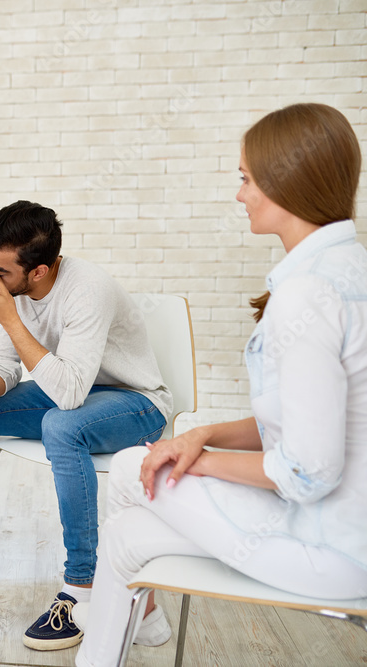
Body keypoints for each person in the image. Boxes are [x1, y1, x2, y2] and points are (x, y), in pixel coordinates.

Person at [74, 103, 367, 666]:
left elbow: (306, 471)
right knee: (125, 536)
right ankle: (145, 626)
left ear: (287, 180)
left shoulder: (307, 295)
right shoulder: (348, 269)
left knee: (137, 469)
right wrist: (203, 433)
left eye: (246, 179)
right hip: (339, 531)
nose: (240, 194)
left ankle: (139, 623)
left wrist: (199, 458)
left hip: (331, 549)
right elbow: (307, 418)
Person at [0, 201, 173, 651]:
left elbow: (70, 394)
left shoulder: (86, 289)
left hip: (135, 402)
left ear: (38, 271)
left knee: (61, 425)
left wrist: (10, 319)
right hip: (71, 389)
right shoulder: (12, 290)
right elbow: (4, 366)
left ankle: (82, 588)